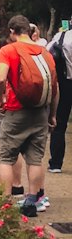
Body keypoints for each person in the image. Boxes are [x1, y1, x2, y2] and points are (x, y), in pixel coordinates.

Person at [0, 14, 58, 215]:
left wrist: (1, 98)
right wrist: (52, 116)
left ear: (12, 31)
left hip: (16, 111)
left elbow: (1, 78)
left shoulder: (8, 50)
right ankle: (32, 201)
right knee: (35, 159)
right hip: (40, 112)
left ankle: (4, 204)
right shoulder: (45, 52)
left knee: (6, 158)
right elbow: (55, 88)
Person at [46, 21, 72, 172]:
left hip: (65, 83)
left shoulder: (61, 36)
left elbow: (47, 52)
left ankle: (56, 164)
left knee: (60, 124)